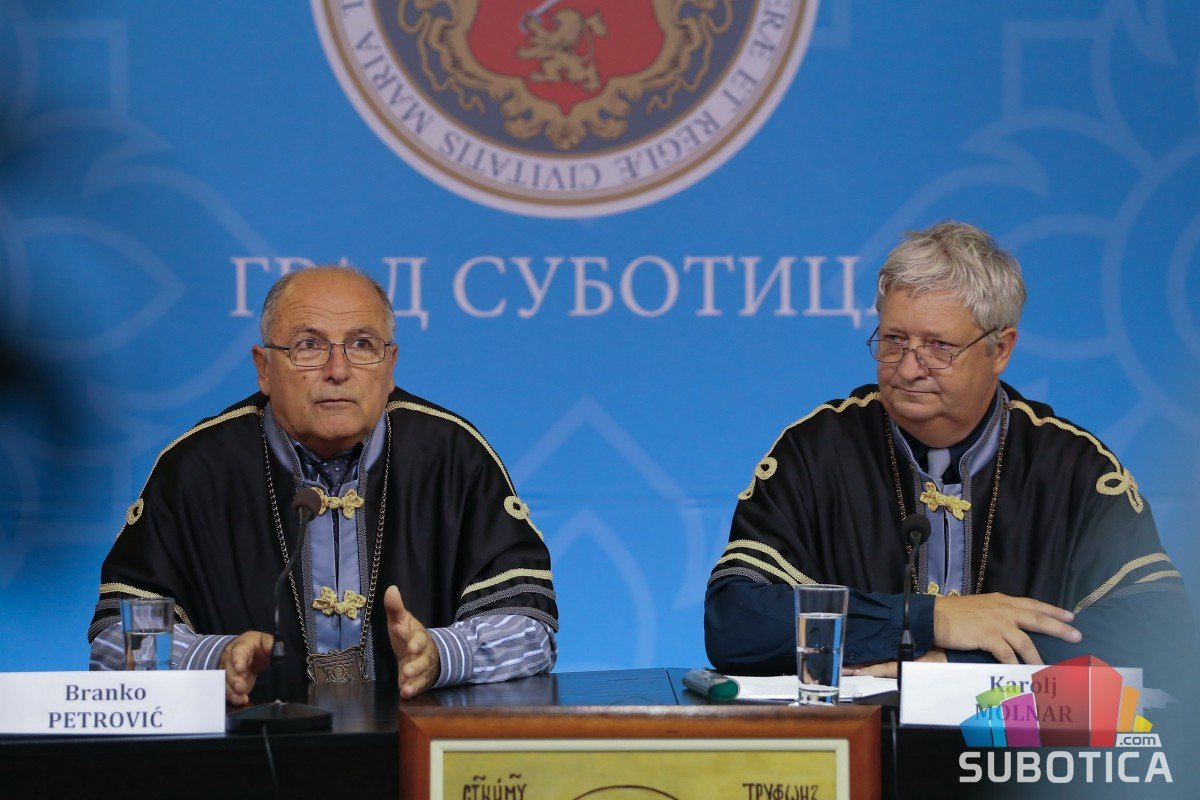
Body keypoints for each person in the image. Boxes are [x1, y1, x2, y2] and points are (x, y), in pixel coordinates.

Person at [705, 221, 1192, 689]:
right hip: (864, 738)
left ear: (1000, 350)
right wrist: (928, 619)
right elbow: (734, 622)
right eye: (894, 340)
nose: (908, 369)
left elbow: (1160, 631)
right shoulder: (816, 452)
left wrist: (962, 663)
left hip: (1024, 744)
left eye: (938, 347)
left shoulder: (1072, 467)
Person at [89, 267, 557, 704]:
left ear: (390, 365)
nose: (337, 369)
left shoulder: (454, 457)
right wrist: (212, 659)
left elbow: (531, 628)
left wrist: (440, 654)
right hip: (249, 748)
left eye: (362, 344)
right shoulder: (195, 469)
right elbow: (118, 644)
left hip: (412, 748)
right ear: (264, 368)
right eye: (309, 346)